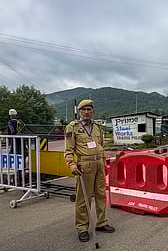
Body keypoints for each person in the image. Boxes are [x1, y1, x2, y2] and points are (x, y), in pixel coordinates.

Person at [64, 99, 115, 242]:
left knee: (100, 194)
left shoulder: (98, 127)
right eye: (84, 110)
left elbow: (101, 146)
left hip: (99, 163)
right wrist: (72, 165)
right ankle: (82, 228)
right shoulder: (72, 127)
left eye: (89, 109)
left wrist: (103, 162)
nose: (87, 112)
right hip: (84, 165)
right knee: (83, 198)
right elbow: (68, 150)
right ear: (80, 111)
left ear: (93, 111)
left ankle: (101, 222)